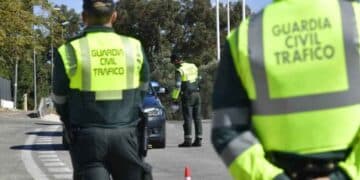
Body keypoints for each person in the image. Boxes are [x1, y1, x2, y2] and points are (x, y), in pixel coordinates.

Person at [211, 0, 360, 179]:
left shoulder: (245, 37)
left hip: (278, 168)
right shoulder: (355, 19)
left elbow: (227, 130)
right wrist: (345, 175)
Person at [51, 0, 152, 179]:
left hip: (87, 137)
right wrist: (130, 106)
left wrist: (68, 117)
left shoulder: (68, 50)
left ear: (84, 17)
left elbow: (59, 97)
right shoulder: (133, 46)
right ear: (114, 16)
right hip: (126, 133)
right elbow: (143, 86)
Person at [171, 54, 203, 147]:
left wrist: (174, 98)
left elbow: (177, 85)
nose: (173, 65)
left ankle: (188, 140)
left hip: (187, 95)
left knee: (188, 118)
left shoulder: (179, 70)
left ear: (176, 61)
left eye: (173, 62)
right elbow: (200, 78)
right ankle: (198, 139)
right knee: (197, 118)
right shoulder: (193, 66)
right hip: (197, 94)